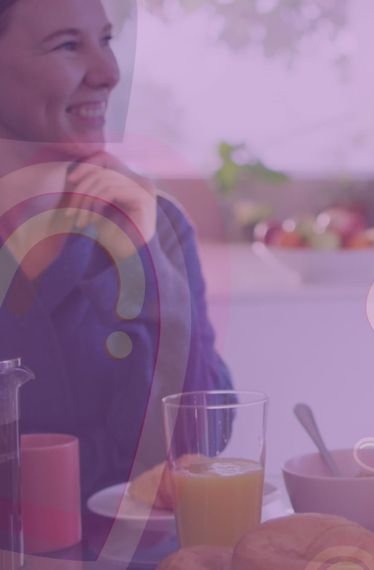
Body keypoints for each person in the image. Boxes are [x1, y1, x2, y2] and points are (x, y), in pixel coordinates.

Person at [0, 0, 232, 507]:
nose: (109, 73)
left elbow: (196, 452)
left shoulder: (157, 224)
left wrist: (145, 268)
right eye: (67, 45)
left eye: (105, 39)